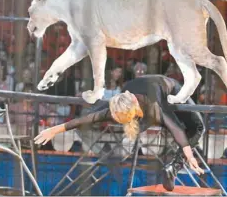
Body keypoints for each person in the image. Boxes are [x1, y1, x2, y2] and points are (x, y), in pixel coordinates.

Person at [34, 75, 205, 191]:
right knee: (177, 126)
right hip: (139, 104)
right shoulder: (116, 105)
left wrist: (189, 157)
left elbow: (176, 129)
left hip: (170, 89)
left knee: (197, 126)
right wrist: (55, 129)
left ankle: (173, 167)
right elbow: (85, 120)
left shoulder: (155, 107)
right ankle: (170, 165)